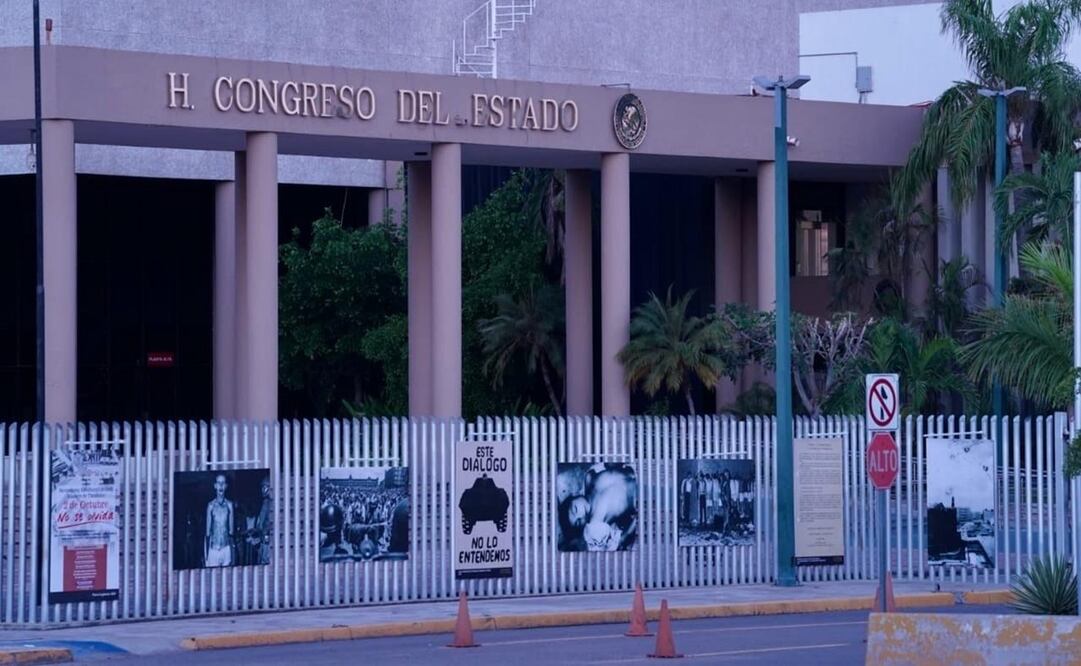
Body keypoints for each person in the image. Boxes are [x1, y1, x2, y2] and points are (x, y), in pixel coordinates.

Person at [558, 463, 637, 551]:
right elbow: (616, 542)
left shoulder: (590, 477)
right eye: (578, 522)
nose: (581, 516)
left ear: (575, 495)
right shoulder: (596, 521)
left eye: (575, 509)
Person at [204, 474, 234, 567]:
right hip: (213, 550)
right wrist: (206, 555)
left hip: (226, 548)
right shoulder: (210, 506)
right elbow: (207, 533)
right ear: (215, 486)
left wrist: (232, 552)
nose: (221, 485)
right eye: (218, 483)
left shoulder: (230, 505)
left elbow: (231, 531)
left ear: (226, 486)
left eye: (223, 483)